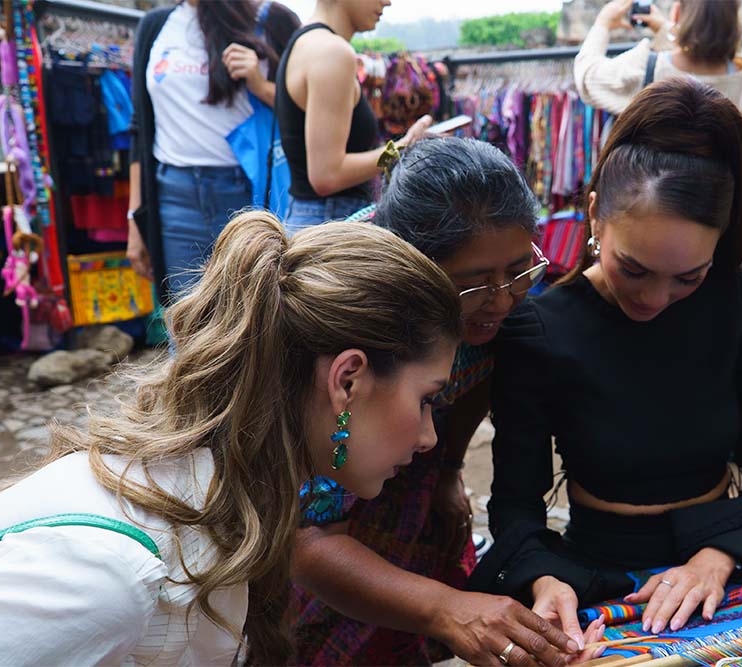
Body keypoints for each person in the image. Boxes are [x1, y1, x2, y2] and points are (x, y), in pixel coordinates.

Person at [0, 211, 466, 664]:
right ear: (347, 381)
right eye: (426, 400)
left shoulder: (223, 508)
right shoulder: (114, 576)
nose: (427, 437)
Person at [471, 78, 742, 640]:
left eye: (688, 278)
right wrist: (547, 580)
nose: (653, 300)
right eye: (635, 269)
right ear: (595, 214)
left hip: (726, 563)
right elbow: (516, 507)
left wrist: (714, 560)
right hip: (594, 573)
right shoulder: (541, 331)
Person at [290, 137, 606, 666]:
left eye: (517, 272)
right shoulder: (344, 324)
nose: (502, 300)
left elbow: (479, 375)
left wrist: (446, 471)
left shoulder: (488, 314)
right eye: (475, 285)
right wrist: (446, 610)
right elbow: (310, 537)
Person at [126, 0, 299, 302]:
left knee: (253, 316)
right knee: (187, 319)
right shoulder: (156, 26)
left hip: (247, 194)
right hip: (173, 196)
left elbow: (306, 111)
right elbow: (140, 127)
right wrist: (134, 219)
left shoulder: (269, 20)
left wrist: (260, 85)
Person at [276, 0, 432, 233]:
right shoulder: (332, 52)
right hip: (331, 223)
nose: (387, 2)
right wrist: (404, 147)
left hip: (312, 219)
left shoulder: (305, 41)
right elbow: (326, 176)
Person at [574, 0, 742, 113]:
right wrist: (666, 29)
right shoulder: (737, 70)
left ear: (677, 12)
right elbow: (699, 52)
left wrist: (603, 23)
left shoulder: (645, 66)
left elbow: (588, 78)